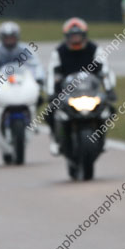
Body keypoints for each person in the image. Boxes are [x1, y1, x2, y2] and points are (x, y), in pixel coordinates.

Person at [46, 17, 117, 155]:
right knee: (50, 113)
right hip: (66, 93)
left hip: (90, 91)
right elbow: (51, 73)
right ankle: (56, 140)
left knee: (110, 110)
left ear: (84, 35)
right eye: (72, 36)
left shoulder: (94, 49)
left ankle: (102, 136)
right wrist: (51, 93)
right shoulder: (59, 52)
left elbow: (105, 71)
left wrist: (109, 89)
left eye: (78, 35)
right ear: (67, 36)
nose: (75, 38)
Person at [0, 21, 45, 135]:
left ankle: (32, 120)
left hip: (20, 83)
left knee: (38, 98)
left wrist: (38, 78)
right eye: (6, 38)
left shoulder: (25, 50)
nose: (9, 40)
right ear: (1, 38)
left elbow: (35, 65)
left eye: (12, 37)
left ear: (17, 37)